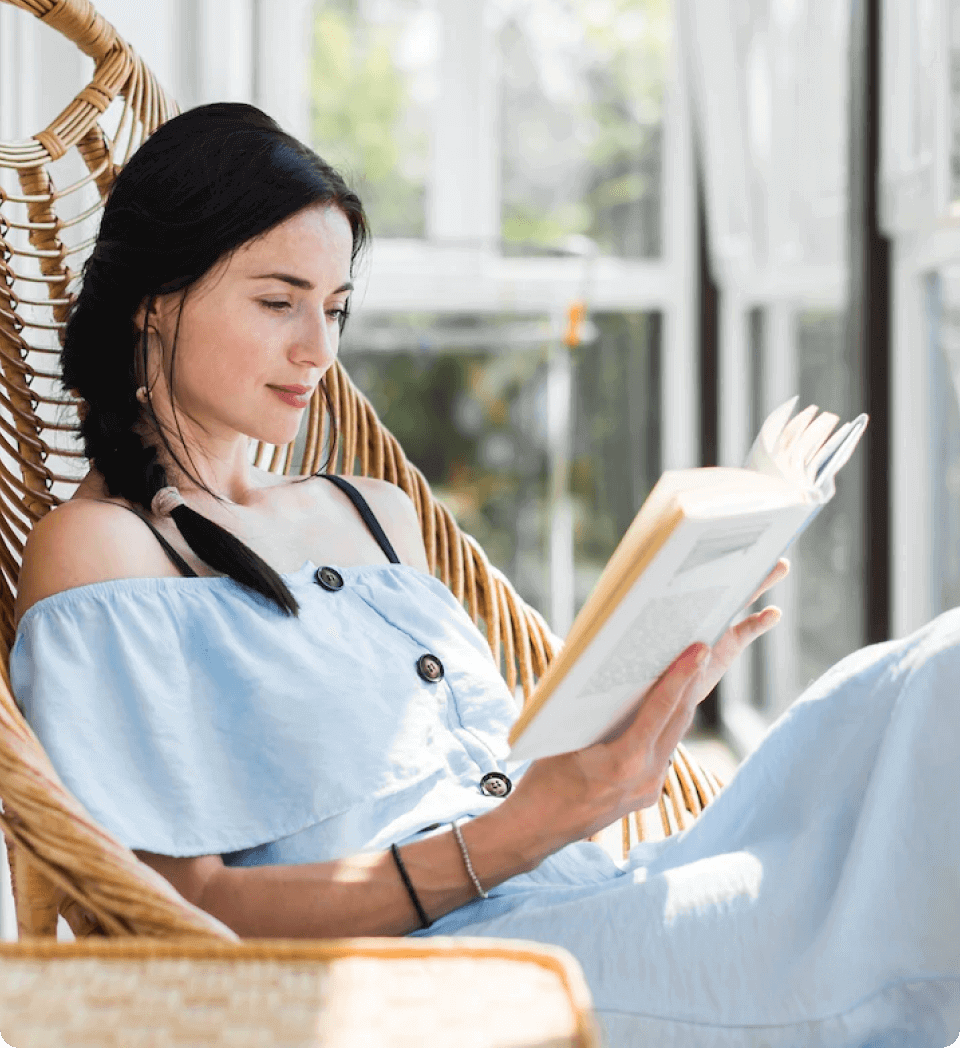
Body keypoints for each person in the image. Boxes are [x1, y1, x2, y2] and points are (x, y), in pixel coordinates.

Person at [10, 104, 959, 1048]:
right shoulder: (107, 550)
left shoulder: (370, 511)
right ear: (153, 298)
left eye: (334, 309)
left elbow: (502, 765)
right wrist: (529, 828)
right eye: (277, 302)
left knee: (927, 683)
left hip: (606, 892)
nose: (318, 351)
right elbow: (180, 918)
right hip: (481, 974)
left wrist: (641, 702)